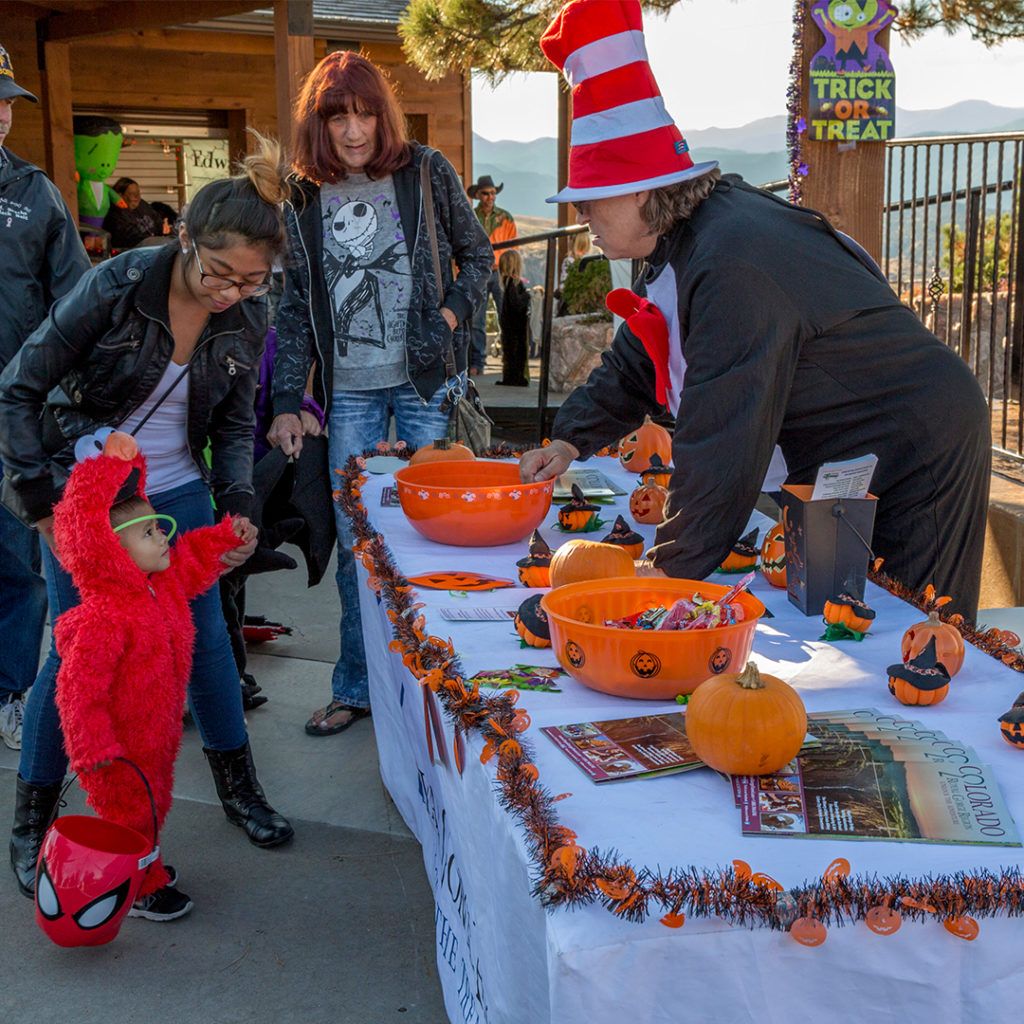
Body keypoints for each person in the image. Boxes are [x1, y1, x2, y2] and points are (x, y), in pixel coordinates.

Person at [519, 0, 990, 619]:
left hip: (918, 445)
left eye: (588, 203)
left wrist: (658, 584)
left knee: (913, 631)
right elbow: (637, 357)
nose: (581, 220)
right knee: (841, 621)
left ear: (638, 192)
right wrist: (572, 439)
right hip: (843, 453)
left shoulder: (730, 264)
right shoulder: (686, 237)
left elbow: (721, 445)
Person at [0, 132, 295, 899]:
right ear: (185, 237)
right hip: (91, 495)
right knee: (76, 655)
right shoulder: (118, 283)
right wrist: (38, 500)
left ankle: (240, 792)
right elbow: (19, 388)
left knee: (206, 646)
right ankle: (32, 816)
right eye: (218, 273)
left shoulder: (247, 319)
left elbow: (232, 424)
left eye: (251, 283)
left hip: (175, 488)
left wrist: (237, 505)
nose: (230, 293)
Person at [269, 50, 492, 737]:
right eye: (339, 117)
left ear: (383, 114)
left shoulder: (424, 170)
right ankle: (356, 686)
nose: (355, 130)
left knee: (444, 535)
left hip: (427, 383)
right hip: (353, 395)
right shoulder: (303, 199)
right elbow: (293, 305)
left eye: (365, 113)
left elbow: (477, 256)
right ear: (321, 124)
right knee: (358, 540)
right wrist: (285, 399)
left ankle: (450, 682)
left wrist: (448, 320)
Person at [51, 436, 253, 921]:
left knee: (154, 804)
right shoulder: (103, 617)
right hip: (117, 750)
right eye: (149, 534)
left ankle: (147, 863)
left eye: (160, 528)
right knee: (130, 813)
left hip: (155, 734)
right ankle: (138, 886)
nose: (164, 537)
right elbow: (79, 695)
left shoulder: (157, 586)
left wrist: (226, 538)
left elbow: (192, 559)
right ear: (109, 551)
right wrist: (94, 751)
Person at [0, 43, 91, 751]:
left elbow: (75, 303)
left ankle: (13, 692)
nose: (2, 115)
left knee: (18, 568)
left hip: (14, 413)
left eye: (7, 103)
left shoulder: (36, 195)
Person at [467, 174, 517, 375]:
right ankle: (477, 363)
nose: (490, 197)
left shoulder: (506, 218)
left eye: (493, 193)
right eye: (486, 193)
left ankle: (510, 361)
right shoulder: (470, 216)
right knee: (477, 320)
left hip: (500, 271)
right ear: (478, 195)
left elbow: (513, 245)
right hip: (478, 272)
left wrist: (512, 271)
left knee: (507, 316)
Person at [496, 248, 530, 387]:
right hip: (515, 325)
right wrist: (528, 295)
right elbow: (516, 303)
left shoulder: (507, 282)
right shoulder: (513, 283)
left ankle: (511, 377)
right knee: (517, 351)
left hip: (509, 324)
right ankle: (516, 378)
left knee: (510, 351)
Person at [102, 177, 163, 251]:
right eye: (132, 194)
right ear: (120, 195)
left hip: (154, 245)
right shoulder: (114, 214)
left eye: (138, 193)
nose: (137, 197)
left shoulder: (142, 205)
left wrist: (163, 227)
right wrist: (149, 238)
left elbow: (156, 218)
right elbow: (126, 235)